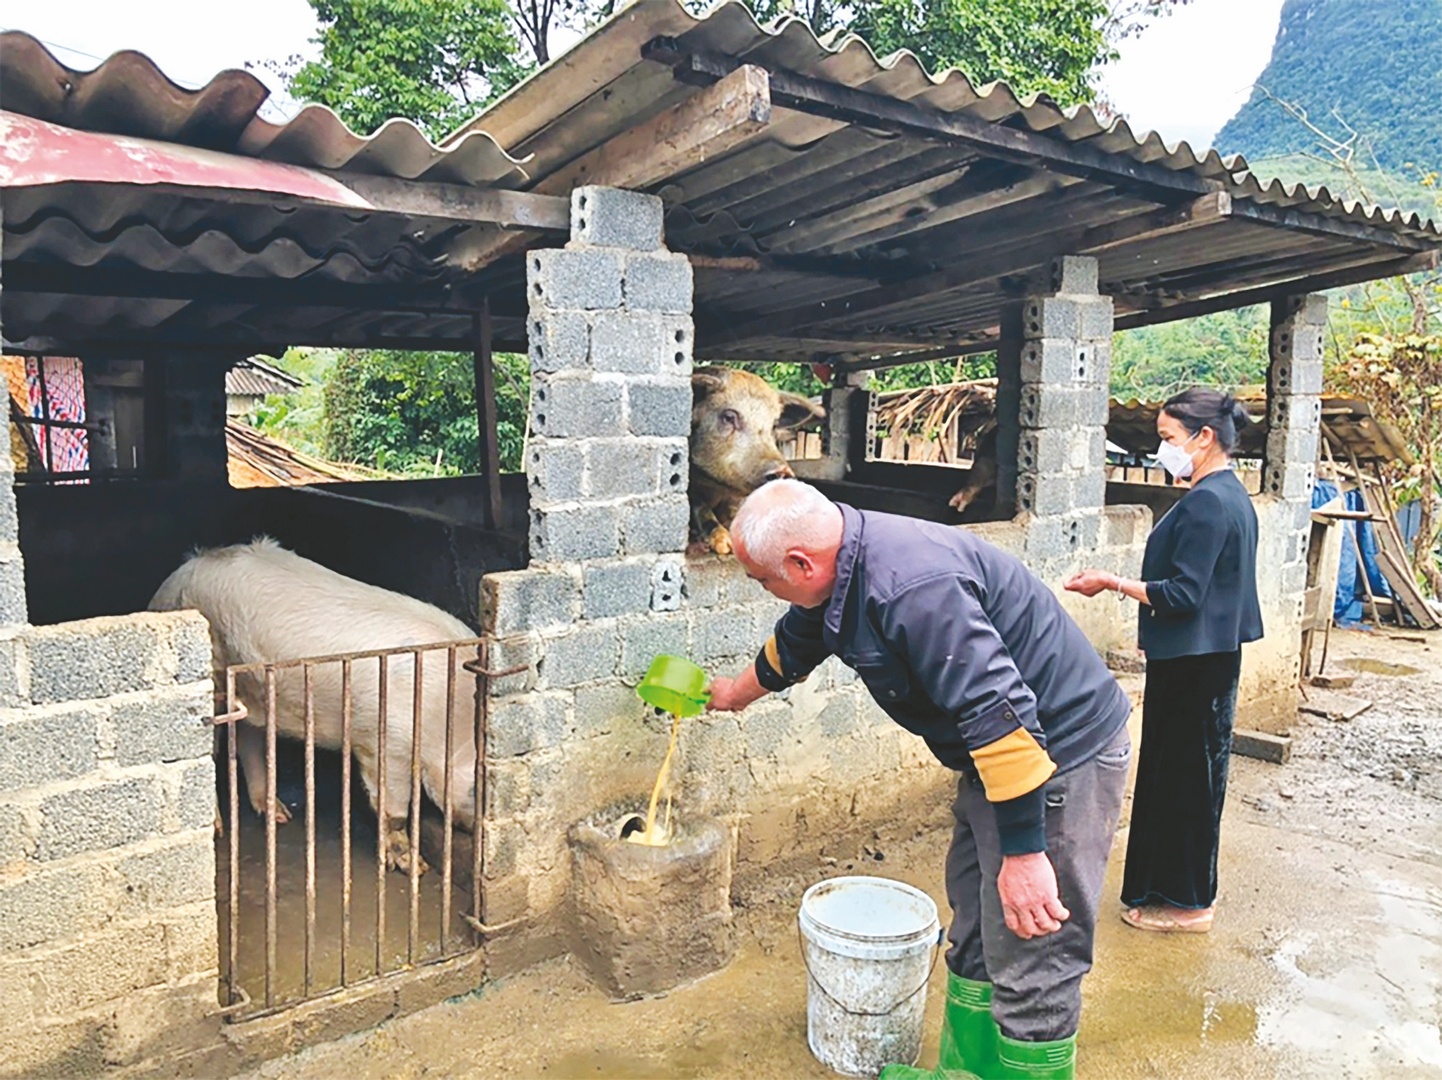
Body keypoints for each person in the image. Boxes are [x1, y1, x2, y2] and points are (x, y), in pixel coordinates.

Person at [707, 479, 1132, 1080]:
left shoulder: (911, 587)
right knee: (978, 925)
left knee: (1034, 943)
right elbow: (794, 643)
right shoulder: (841, 570)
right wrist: (732, 696)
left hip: (1059, 757)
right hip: (996, 764)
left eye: (763, 578)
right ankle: (969, 1069)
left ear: (801, 563)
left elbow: (999, 715)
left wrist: (1027, 853)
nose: (764, 589)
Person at [1065, 387, 1261, 934]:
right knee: (1191, 776)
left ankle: (1189, 904)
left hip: (1195, 662)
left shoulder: (1206, 503)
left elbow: (1183, 594)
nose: (1161, 451)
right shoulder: (1230, 494)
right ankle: (1177, 891)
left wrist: (1112, 582)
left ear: (1203, 438)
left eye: (1168, 439)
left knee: (1183, 780)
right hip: (1209, 656)